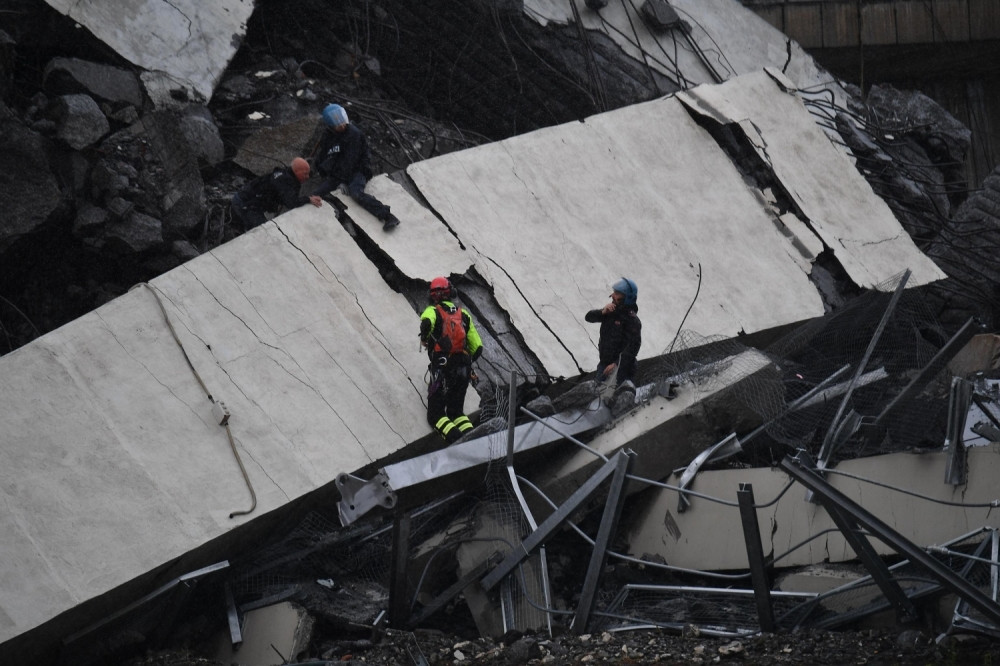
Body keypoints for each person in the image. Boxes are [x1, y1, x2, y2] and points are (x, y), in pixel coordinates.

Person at [313, 103, 400, 231]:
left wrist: (341, 181)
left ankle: (388, 216)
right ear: (331, 126)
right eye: (338, 125)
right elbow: (323, 157)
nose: (342, 126)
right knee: (315, 195)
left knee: (356, 193)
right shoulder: (327, 137)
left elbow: (349, 161)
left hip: (358, 170)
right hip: (338, 174)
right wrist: (325, 174)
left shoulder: (354, 134)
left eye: (343, 123)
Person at [420, 276, 483, 444]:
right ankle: (476, 441)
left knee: (436, 415)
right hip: (463, 368)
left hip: (441, 368)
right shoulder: (464, 314)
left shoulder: (432, 311)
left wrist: (425, 338)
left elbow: (426, 323)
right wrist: (465, 361)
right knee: (457, 413)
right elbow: (478, 347)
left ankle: (459, 443)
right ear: (451, 293)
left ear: (431, 296)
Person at [231, 157, 322, 230]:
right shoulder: (284, 181)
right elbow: (292, 202)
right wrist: (308, 199)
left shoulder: (285, 175)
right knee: (262, 232)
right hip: (245, 204)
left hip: (249, 202)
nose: (307, 177)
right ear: (297, 171)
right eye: (305, 174)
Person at [585, 277, 641, 387]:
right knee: (597, 395)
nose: (612, 295)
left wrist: (615, 364)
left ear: (626, 297)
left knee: (617, 398)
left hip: (622, 370)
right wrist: (602, 312)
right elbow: (588, 317)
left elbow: (633, 348)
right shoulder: (611, 311)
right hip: (604, 364)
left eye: (617, 293)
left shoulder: (632, 320)